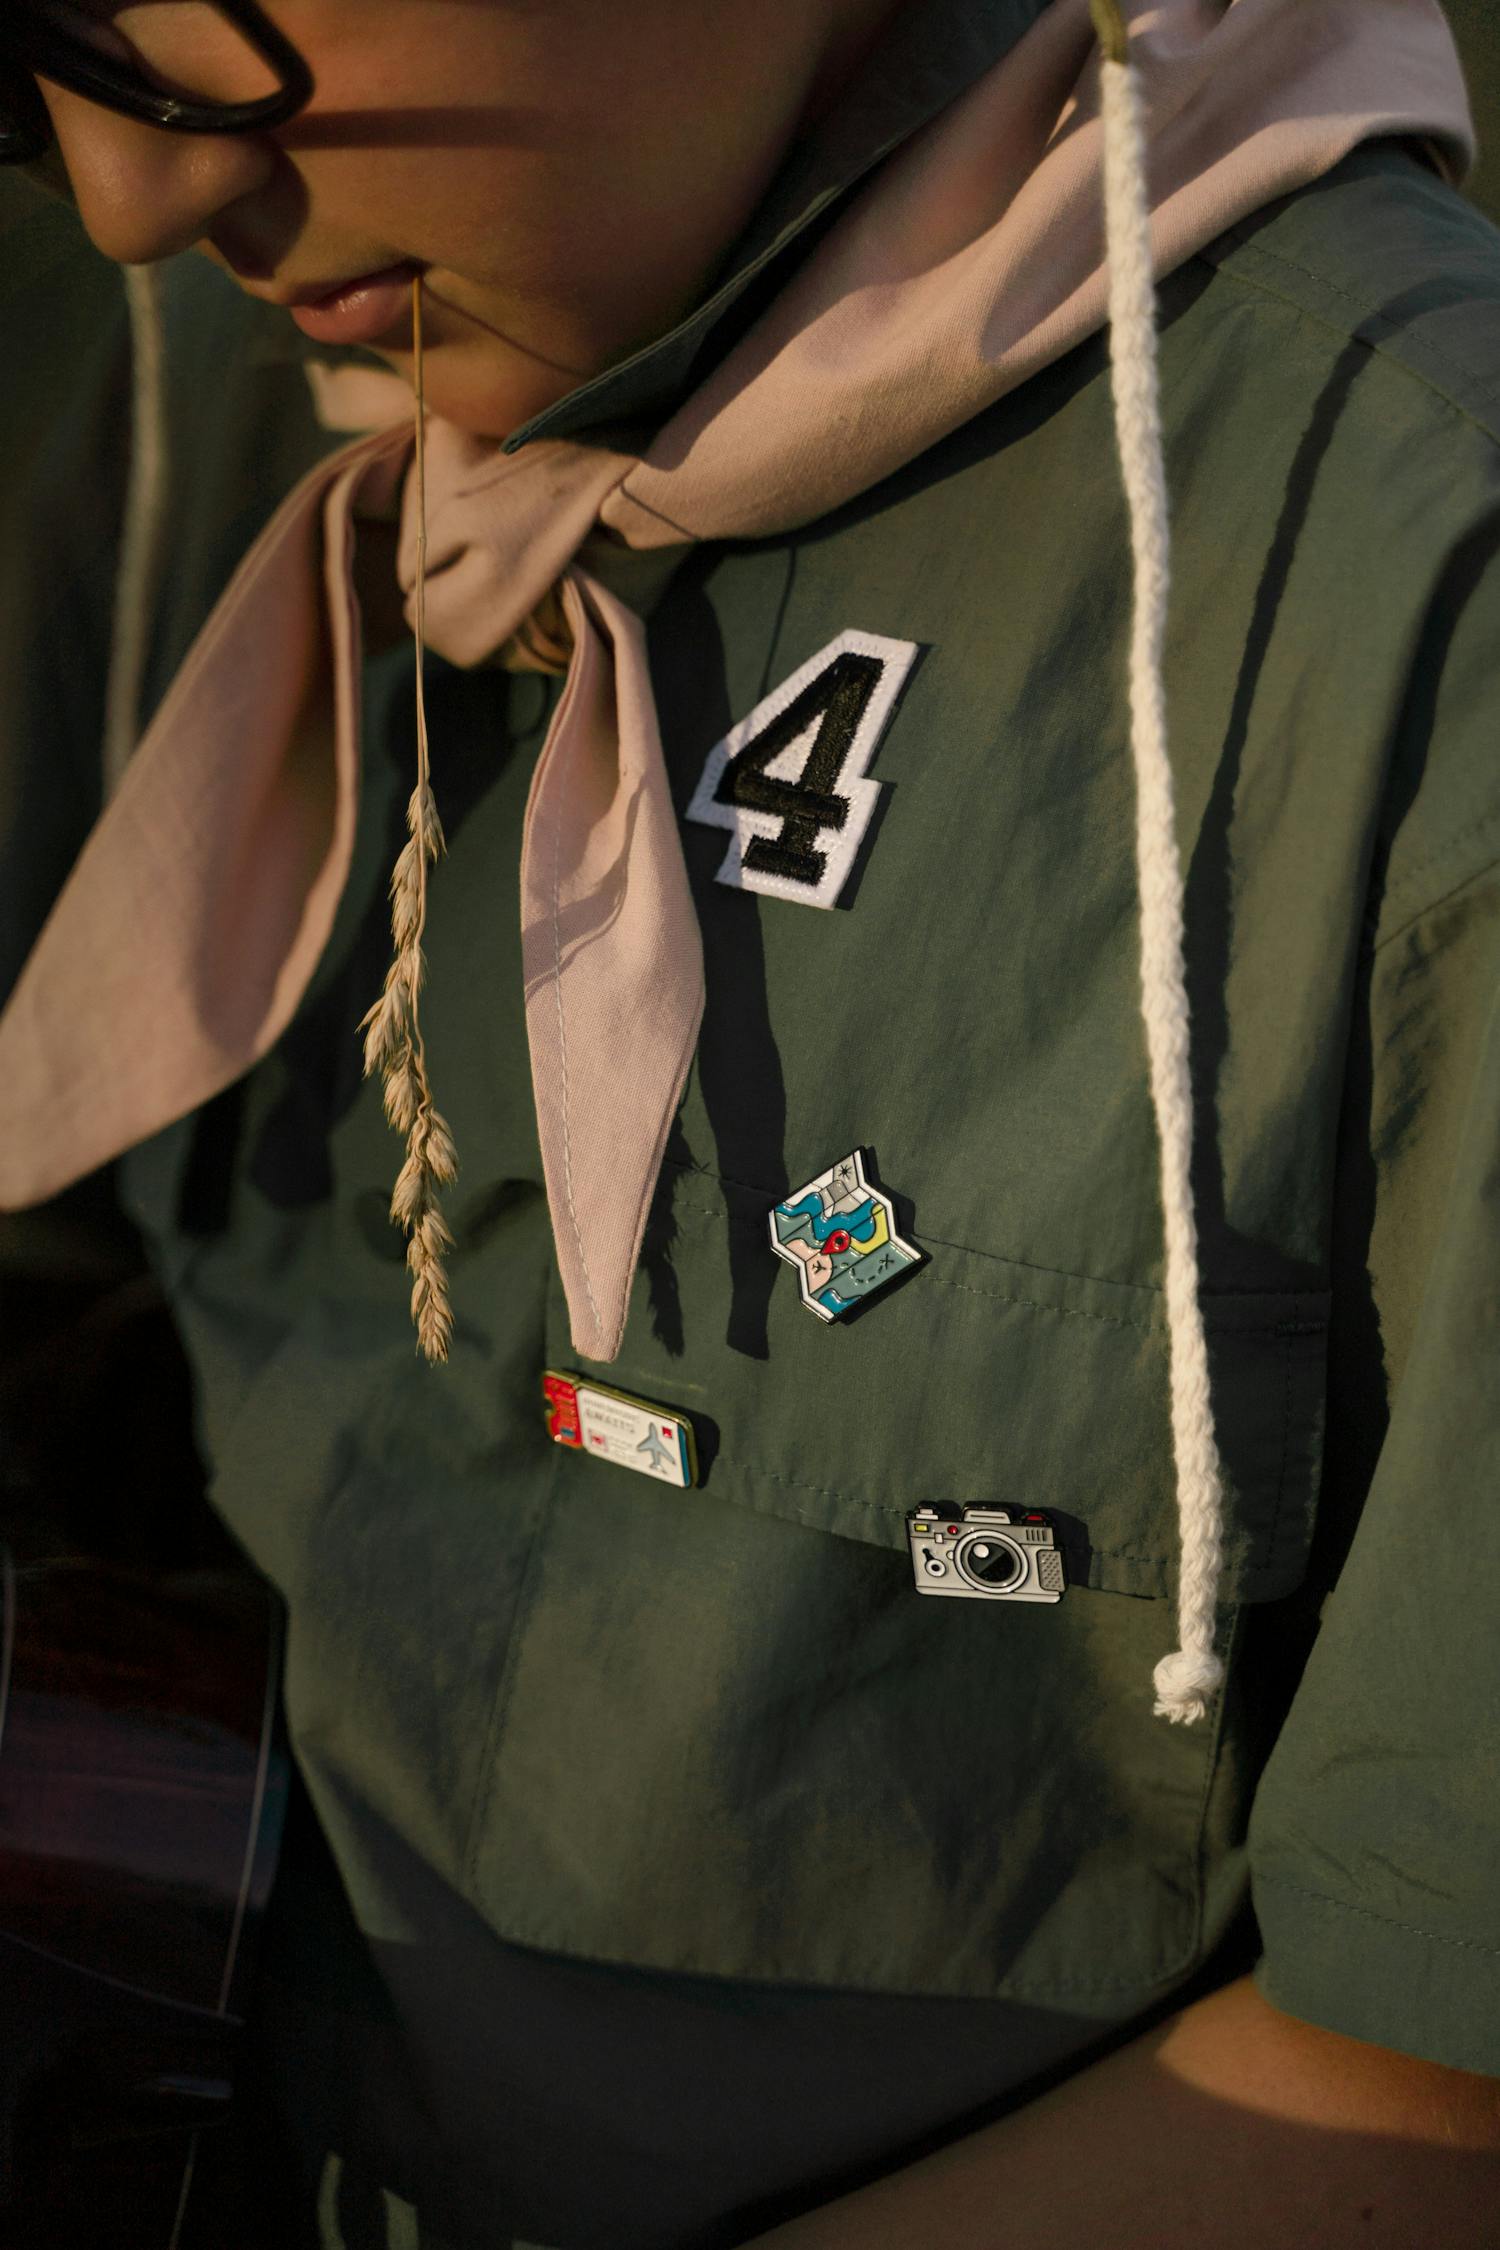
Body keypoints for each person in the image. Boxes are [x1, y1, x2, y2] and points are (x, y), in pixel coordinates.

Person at [1, 2, 1498, 2244]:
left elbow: (1432, 2089)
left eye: (201, 20)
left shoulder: (1408, 603)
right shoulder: (212, 387)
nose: (141, 196)